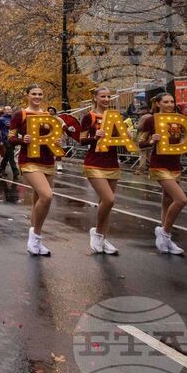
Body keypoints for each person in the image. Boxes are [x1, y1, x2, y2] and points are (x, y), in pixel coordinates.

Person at [9, 85, 57, 256]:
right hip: (28, 160)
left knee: (41, 201)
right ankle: (34, 236)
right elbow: (11, 138)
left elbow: (53, 135)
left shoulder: (47, 115)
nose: (37, 96)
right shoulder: (20, 115)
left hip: (47, 160)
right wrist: (23, 139)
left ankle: (36, 239)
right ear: (27, 95)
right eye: (34, 94)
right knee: (47, 195)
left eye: (40, 94)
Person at [137, 93, 187, 255]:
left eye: (172, 101)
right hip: (159, 165)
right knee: (180, 199)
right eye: (166, 102)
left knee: (167, 200)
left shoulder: (180, 119)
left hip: (175, 164)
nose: (170, 104)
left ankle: (166, 238)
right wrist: (152, 140)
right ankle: (164, 232)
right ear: (158, 103)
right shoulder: (151, 120)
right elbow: (140, 142)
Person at [79, 88, 121, 255]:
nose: (106, 99)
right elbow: (81, 140)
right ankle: (96, 233)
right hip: (94, 163)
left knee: (106, 204)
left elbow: (121, 138)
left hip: (112, 162)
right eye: (102, 96)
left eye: (108, 96)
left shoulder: (115, 116)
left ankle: (103, 238)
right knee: (109, 200)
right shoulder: (89, 117)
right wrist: (94, 136)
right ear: (95, 98)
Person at [0, 106, 18, 177]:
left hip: (13, 139)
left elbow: (16, 129)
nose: (9, 110)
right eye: (7, 109)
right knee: (11, 155)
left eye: (10, 109)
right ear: (4, 111)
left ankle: (1, 169)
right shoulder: (1, 119)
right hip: (6, 140)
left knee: (7, 155)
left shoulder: (14, 118)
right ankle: (15, 171)